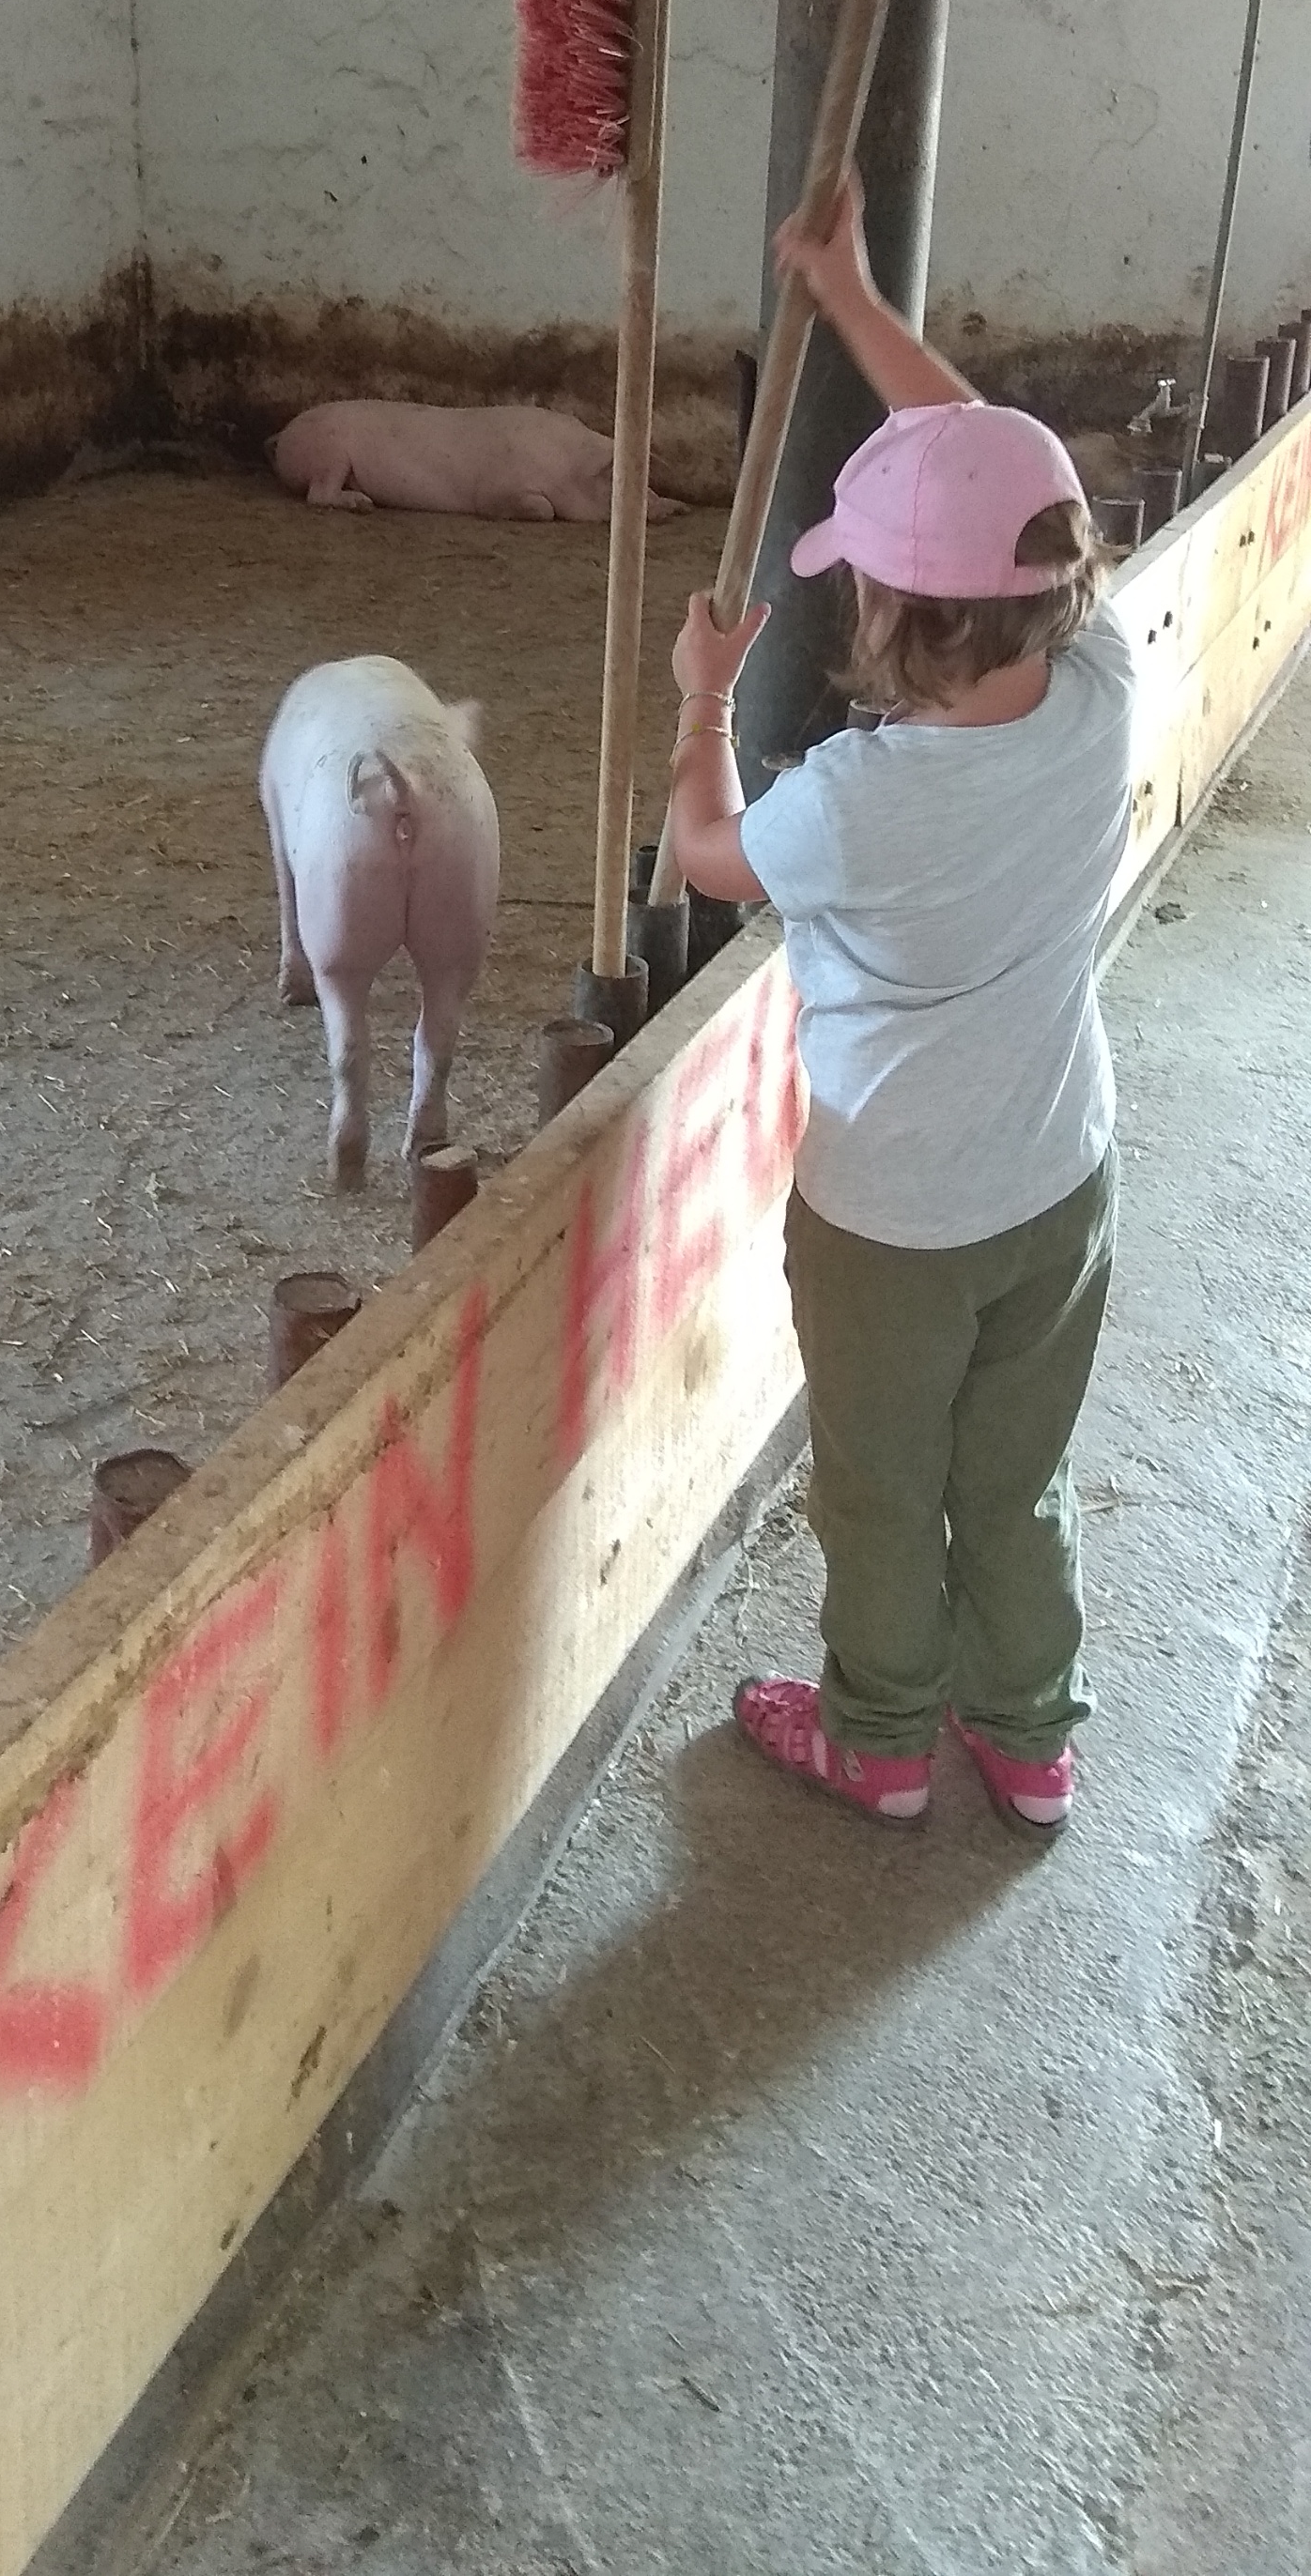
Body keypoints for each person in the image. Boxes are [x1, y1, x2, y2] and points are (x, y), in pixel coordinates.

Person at [668, 173, 1134, 1837]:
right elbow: (997, 472)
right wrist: (854, 299)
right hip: (1060, 1176)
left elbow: (708, 858)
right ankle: (1027, 1737)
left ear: (887, 614)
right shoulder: (1100, 679)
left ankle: (877, 1739)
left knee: (880, 1487)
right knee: (1013, 1478)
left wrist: (705, 705)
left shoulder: (851, 802)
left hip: (891, 1221)